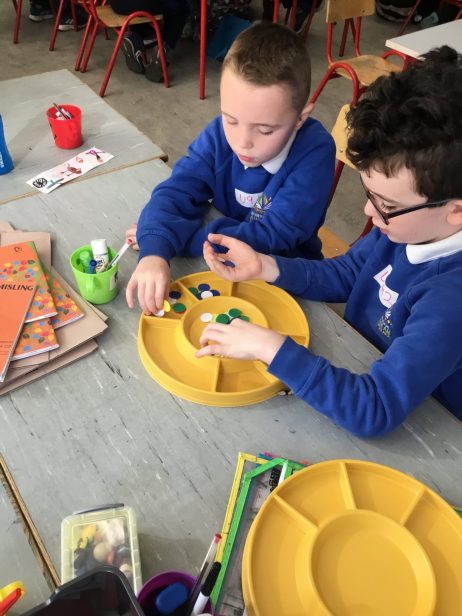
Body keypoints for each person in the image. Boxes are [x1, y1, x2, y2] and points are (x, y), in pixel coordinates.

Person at [196, 45, 462, 437]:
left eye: (387, 204)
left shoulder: (450, 300)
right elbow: (348, 273)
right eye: (370, 194)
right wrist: (265, 266)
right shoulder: (411, 227)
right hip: (355, 360)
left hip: (431, 433)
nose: (369, 212)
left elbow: (375, 409)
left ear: (456, 211)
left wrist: (273, 349)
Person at [126, 21, 335, 314]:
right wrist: (155, 249)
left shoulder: (315, 151)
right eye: (231, 120)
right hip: (218, 265)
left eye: (265, 130)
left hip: (285, 279)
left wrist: (174, 239)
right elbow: (178, 189)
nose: (242, 142)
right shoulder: (218, 135)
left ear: (300, 118)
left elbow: (273, 235)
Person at [109, 0, 190, 81]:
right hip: (145, 4)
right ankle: (163, 47)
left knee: (141, 11)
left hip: (116, 4)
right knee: (181, 7)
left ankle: (134, 40)